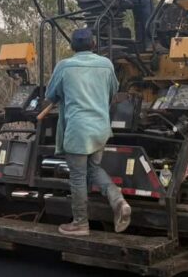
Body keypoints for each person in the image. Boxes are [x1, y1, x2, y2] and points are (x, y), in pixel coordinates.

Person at [44, 28, 132, 236]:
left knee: (78, 176)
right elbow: (113, 92)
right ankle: (118, 201)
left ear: (73, 47)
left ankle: (81, 223)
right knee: (93, 169)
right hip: (100, 128)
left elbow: (50, 94)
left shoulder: (64, 67)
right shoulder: (106, 65)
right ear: (93, 44)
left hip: (78, 130)